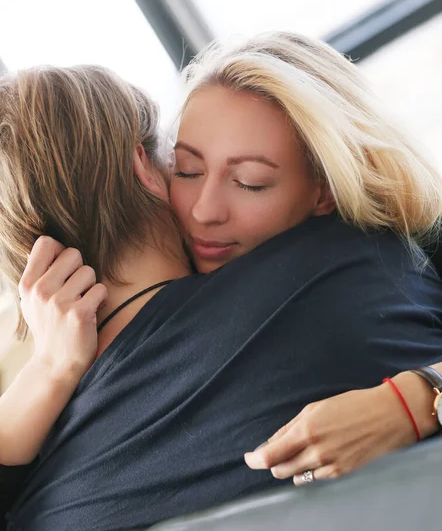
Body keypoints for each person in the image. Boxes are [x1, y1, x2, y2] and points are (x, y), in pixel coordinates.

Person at [0, 31, 441, 530]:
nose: (206, 211)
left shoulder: (43, 491)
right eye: (186, 169)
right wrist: (48, 371)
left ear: (327, 188)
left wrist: (415, 400)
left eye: (250, 182)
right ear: (146, 168)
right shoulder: (359, 267)